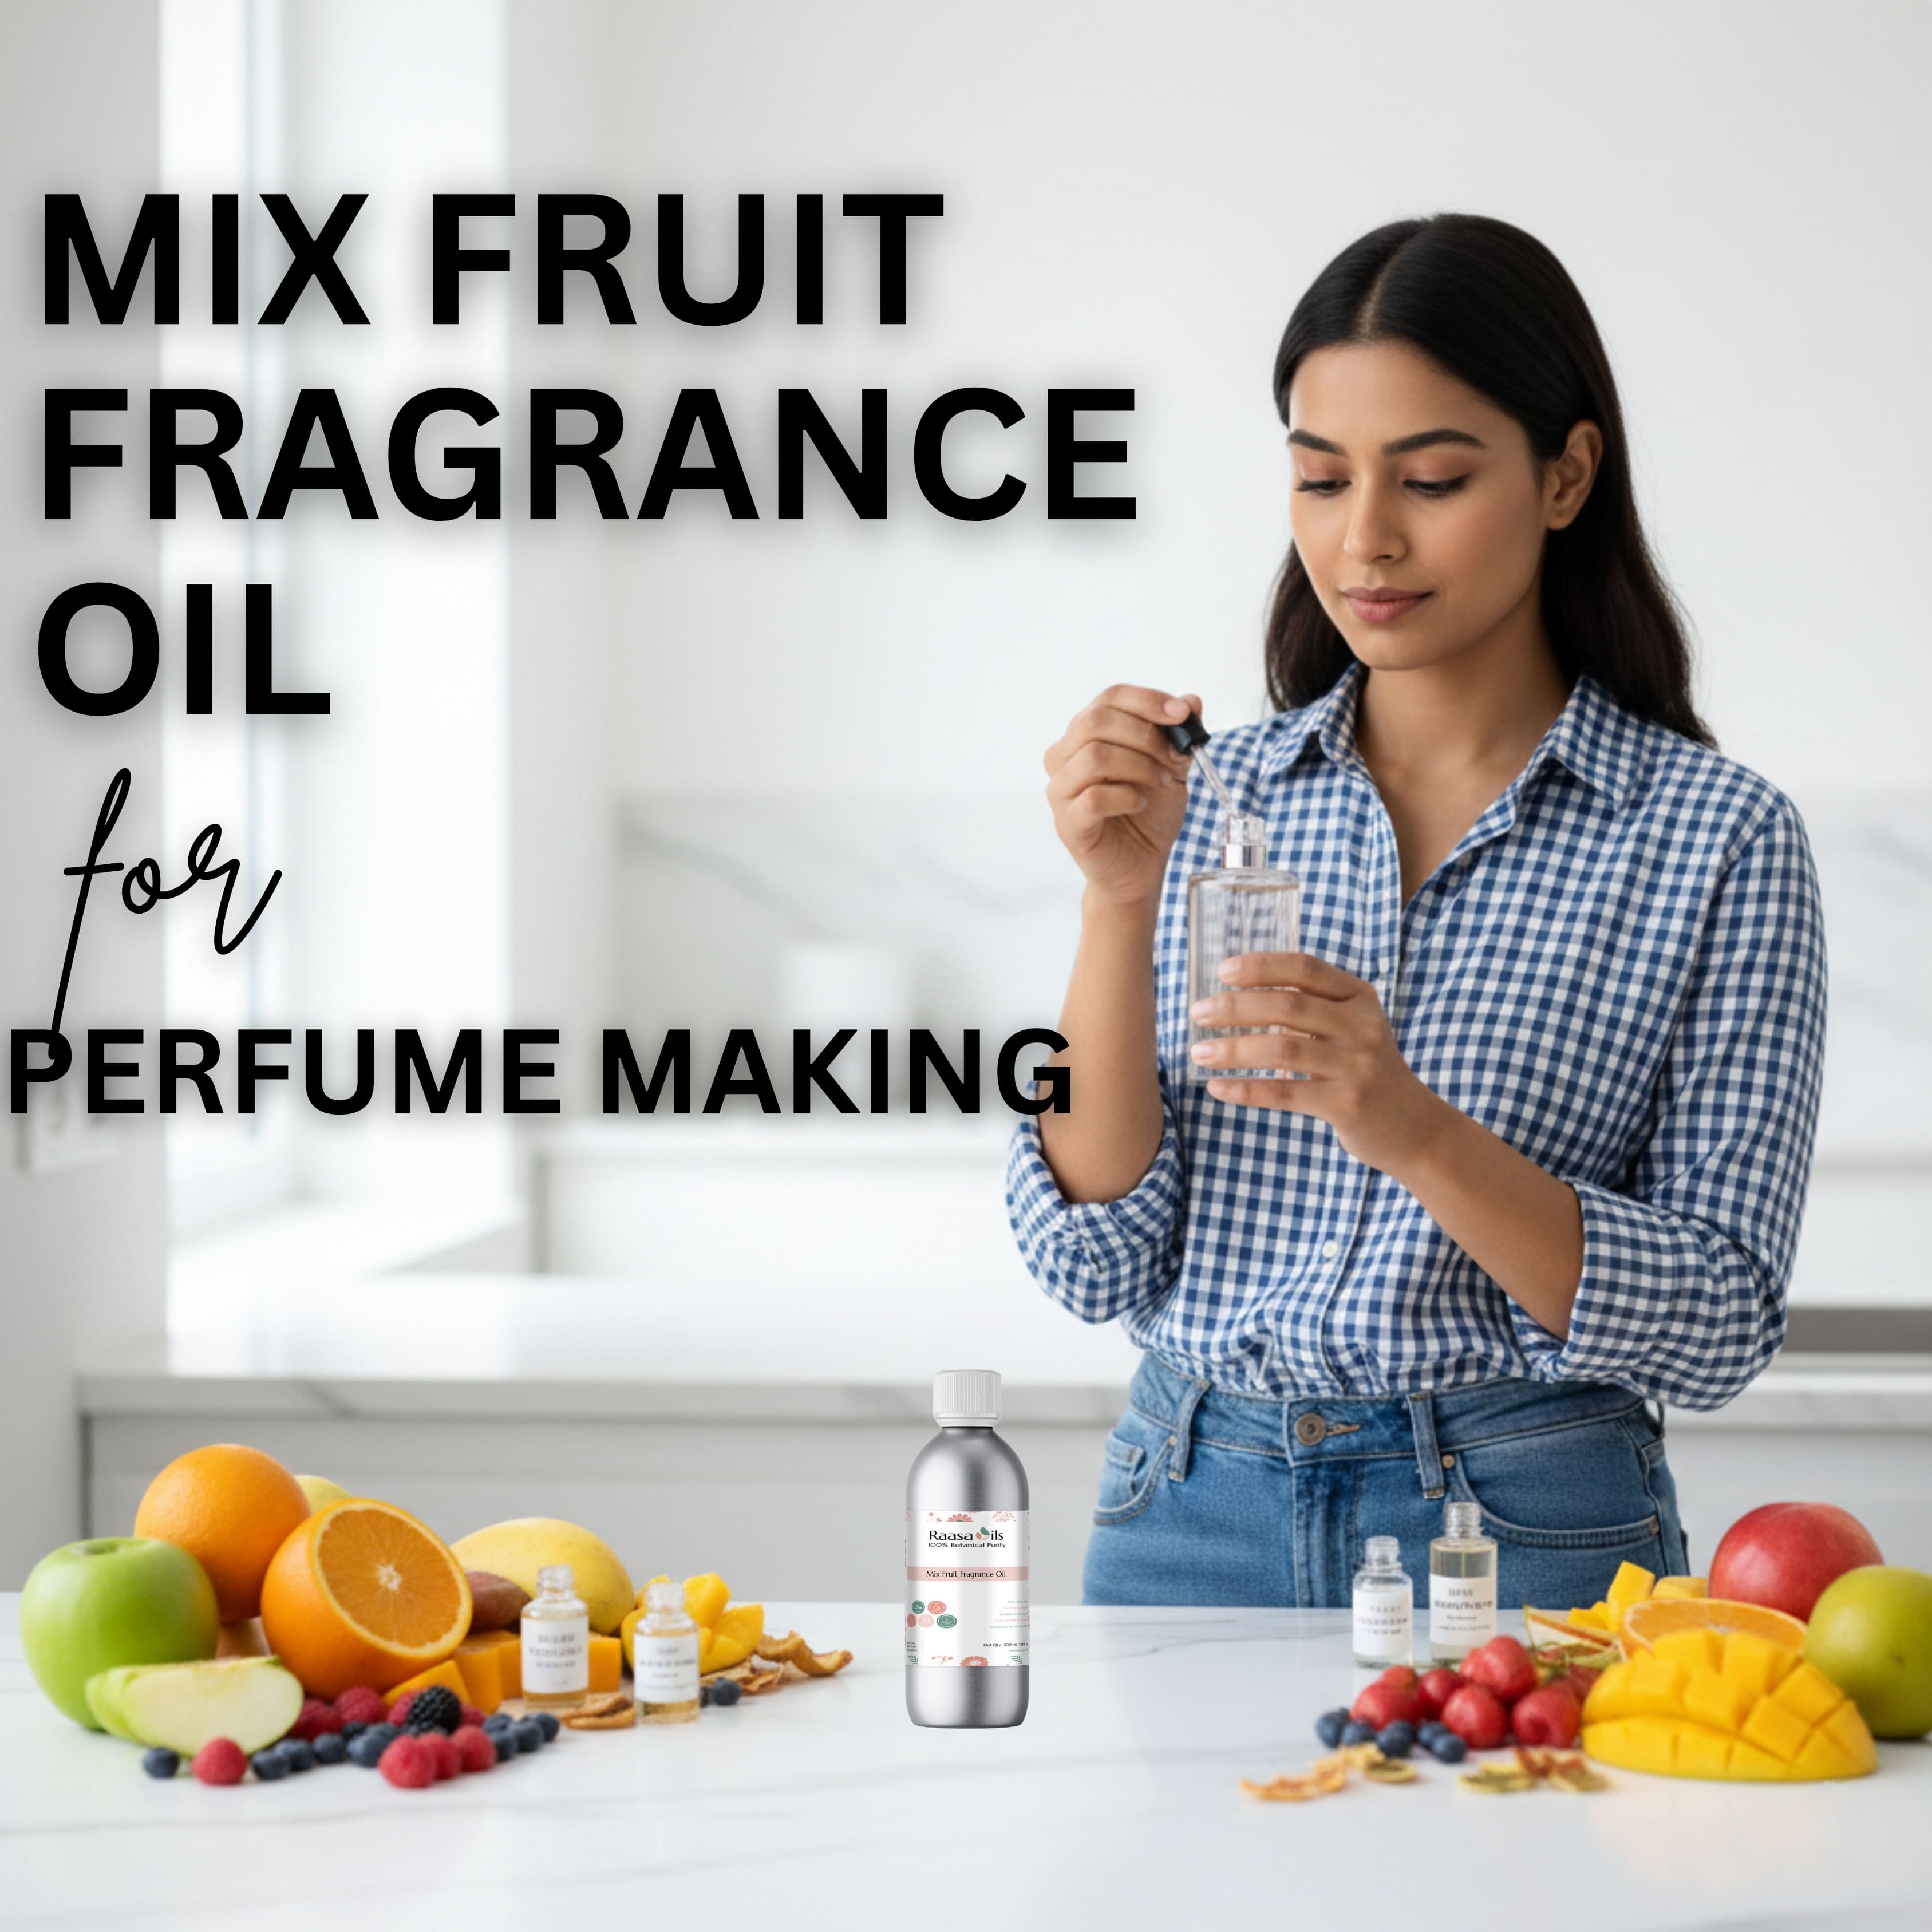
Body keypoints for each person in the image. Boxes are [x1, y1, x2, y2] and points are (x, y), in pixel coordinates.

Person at [1005, 212, 1827, 1610]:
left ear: (1565, 474)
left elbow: (1713, 1325)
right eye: (1319, 481)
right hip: (1182, 1500)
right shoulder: (1214, 797)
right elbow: (1092, 1253)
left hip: (1525, 1524)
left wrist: (1405, 1123)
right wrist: (1113, 900)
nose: (1365, 538)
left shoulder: (1715, 836)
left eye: (1432, 478)